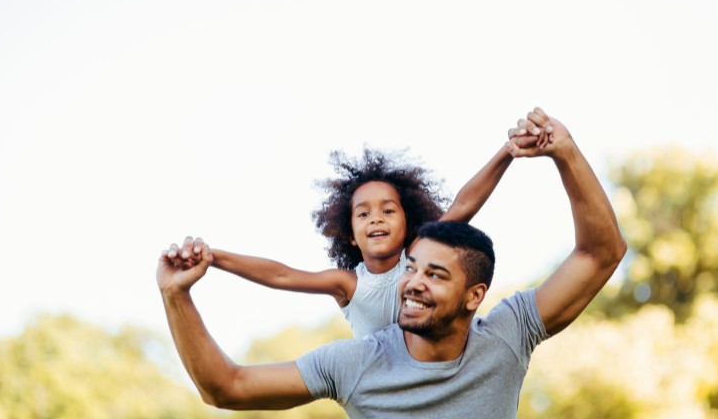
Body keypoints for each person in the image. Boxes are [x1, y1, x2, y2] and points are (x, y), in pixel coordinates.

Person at [157, 108, 627, 419]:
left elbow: (601, 253)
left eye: (435, 274)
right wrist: (178, 296)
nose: (413, 281)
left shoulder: (508, 335)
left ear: (474, 296)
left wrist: (564, 152)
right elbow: (227, 387)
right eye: (413, 268)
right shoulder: (356, 363)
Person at [200, 126, 546, 338]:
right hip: (384, 387)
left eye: (388, 211)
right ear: (350, 234)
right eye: (363, 214)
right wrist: (214, 257)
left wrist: (507, 152)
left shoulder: (417, 255)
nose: (376, 219)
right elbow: (281, 275)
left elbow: (463, 206)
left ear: (408, 223)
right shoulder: (348, 284)